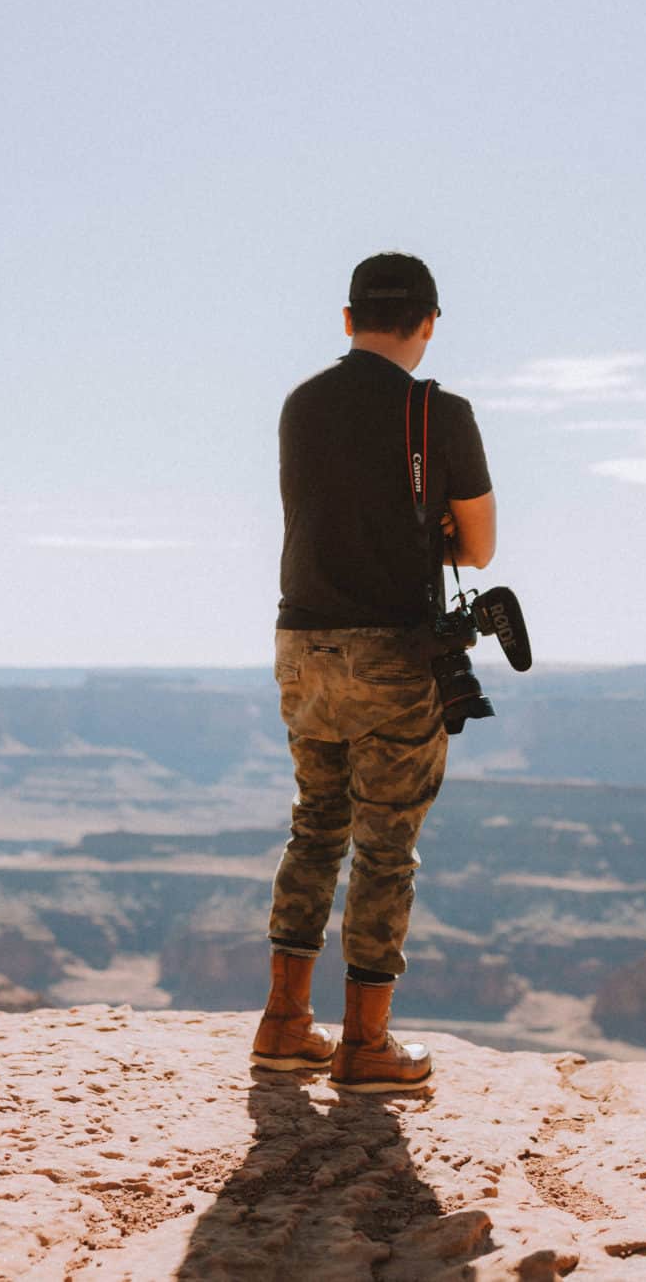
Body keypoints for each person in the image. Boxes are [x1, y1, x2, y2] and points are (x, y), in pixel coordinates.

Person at [251, 251, 496, 1094]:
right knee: (386, 842)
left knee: (316, 823)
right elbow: (478, 546)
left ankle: (284, 1024)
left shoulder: (301, 405)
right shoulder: (439, 412)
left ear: (348, 319)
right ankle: (365, 1044)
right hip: (393, 652)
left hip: (302, 647)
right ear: (428, 324)